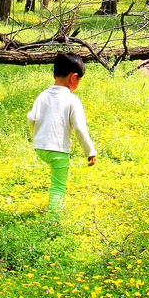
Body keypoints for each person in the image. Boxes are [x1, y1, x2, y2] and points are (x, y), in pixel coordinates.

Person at [26, 52, 97, 216]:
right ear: (74, 77)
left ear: (54, 75)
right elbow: (79, 128)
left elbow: (31, 118)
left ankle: (53, 216)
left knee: (53, 176)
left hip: (40, 148)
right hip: (59, 151)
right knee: (58, 186)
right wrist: (90, 151)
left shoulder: (42, 95)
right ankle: (53, 220)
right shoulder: (72, 100)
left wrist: (35, 136)